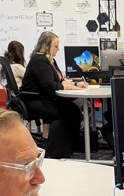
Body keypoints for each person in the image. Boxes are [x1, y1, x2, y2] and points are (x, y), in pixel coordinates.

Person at [19, 31, 86, 159]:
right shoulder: (39, 60)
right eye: (55, 46)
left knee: (74, 110)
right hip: (34, 101)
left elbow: (58, 81)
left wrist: (75, 85)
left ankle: (70, 147)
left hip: (44, 98)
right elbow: (48, 86)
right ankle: (55, 152)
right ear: (46, 45)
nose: (58, 49)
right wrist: (68, 86)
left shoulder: (49, 61)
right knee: (66, 112)